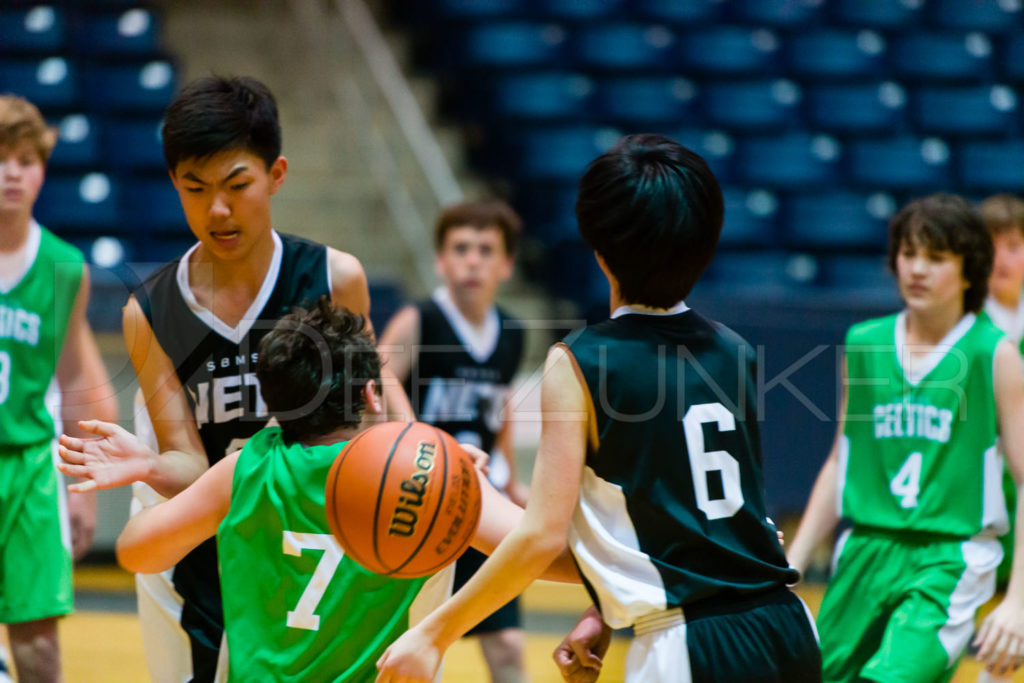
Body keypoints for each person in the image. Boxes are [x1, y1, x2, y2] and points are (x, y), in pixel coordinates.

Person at [375, 134, 822, 683]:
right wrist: (605, 610)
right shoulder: (733, 350)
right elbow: (702, 525)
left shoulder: (583, 361)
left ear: (598, 247)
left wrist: (432, 634)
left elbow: (541, 536)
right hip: (789, 626)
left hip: (690, 645)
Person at [55, 75, 411, 682]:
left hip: (316, 544)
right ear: (173, 183)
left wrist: (423, 449)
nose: (217, 209)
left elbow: (374, 406)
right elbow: (189, 466)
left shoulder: (332, 276)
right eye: (195, 188)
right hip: (209, 552)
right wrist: (145, 467)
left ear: (276, 174)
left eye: (236, 185)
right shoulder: (150, 312)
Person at [97, 298, 581, 681]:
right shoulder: (427, 475)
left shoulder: (249, 465)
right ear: (372, 392)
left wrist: (153, 471)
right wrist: (464, 487)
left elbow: (138, 551)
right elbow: (554, 555)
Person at [786, 193, 1024, 682]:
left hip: (948, 557)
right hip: (865, 549)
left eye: (936, 258)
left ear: (967, 271)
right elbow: (840, 462)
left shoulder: (993, 355)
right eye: (909, 254)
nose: (918, 269)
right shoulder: (865, 343)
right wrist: (792, 562)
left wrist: (1019, 601)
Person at [378, 199, 529, 683]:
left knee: (506, 644)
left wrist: (512, 473)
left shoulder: (512, 332)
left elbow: (499, 405)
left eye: (486, 250)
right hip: (419, 500)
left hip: (482, 498)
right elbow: (373, 383)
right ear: (441, 261)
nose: (472, 260)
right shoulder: (418, 321)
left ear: (506, 264)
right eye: (461, 248)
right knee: (412, 642)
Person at [0, 94, 117, 681]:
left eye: (25, 159)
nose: (12, 172)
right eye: (0, 157)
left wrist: (85, 488)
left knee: (39, 645)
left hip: (27, 465)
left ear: (43, 169)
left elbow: (76, 378)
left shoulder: (64, 266)